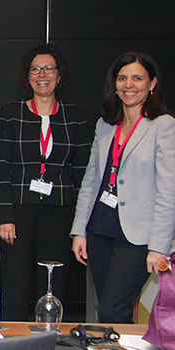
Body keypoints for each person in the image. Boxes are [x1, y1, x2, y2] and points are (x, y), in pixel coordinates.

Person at [70, 52, 175, 323]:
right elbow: (91, 181)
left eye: (137, 78)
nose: (129, 84)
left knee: (111, 311)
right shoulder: (105, 125)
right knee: (109, 314)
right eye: (122, 78)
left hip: (137, 238)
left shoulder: (164, 126)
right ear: (114, 85)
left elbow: (168, 190)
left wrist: (159, 246)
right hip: (99, 231)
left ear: (152, 84)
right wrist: (79, 231)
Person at [0, 44, 91, 321]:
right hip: (20, 211)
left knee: (52, 282)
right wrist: (5, 216)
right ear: (28, 77)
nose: (42, 74)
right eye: (35, 69)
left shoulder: (75, 116)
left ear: (60, 76)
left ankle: (48, 340)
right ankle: (12, 340)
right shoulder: (11, 113)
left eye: (49, 68)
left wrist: (81, 224)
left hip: (60, 210)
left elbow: (83, 173)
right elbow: (0, 168)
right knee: (15, 283)